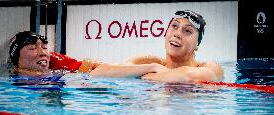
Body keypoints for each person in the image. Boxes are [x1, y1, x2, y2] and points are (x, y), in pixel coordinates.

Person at [9, 31, 167, 77]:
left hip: (89, 78)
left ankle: (155, 65)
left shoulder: (55, 60)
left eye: (44, 47)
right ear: (16, 57)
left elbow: (90, 68)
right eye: (32, 48)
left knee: (97, 73)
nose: (42, 53)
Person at [128, 10, 224, 82]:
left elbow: (191, 76)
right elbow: (113, 71)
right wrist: (151, 68)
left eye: (187, 31)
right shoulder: (150, 63)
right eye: (174, 26)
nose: (177, 34)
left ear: (197, 44)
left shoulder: (210, 67)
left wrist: (148, 76)